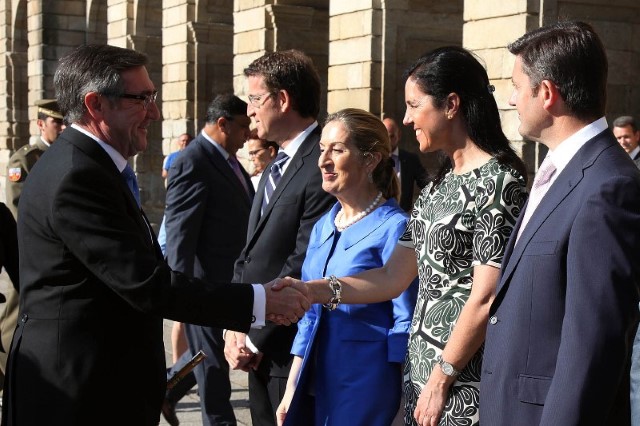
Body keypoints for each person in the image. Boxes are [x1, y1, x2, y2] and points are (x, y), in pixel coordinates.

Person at [1, 44, 308, 426]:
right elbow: (149, 285)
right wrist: (261, 301)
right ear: (96, 104)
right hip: (80, 396)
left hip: (98, 385)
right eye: (142, 98)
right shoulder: (77, 176)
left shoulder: (87, 166)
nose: (156, 112)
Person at [279, 46, 528, 426]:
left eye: (414, 105)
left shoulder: (500, 181)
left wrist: (443, 375)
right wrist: (314, 291)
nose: (407, 119)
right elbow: (391, 277)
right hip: (422, 378)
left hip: (463, 382)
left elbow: (486, 293)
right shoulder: (436, 186)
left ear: (451, 104)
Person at [478, 21, 640, 425]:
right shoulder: (559, 170)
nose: (511, 100)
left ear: (547, 93)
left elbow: (593, 342)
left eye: (516, 86)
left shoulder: (609, 186)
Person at [275, 109, 418, 426]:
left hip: (366, 387)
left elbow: (405, 322)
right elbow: (309, 316)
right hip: (312, 385)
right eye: (322, 148)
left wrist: (403, 405)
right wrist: (291, 387)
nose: (323, 160)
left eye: (336, 149)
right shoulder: (323, 225)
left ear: (370, 160)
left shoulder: (396, 228)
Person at [224, 50, 335, 426]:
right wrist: (235, 326)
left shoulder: (322, 162)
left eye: (255, 99)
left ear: (283, 100)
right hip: (257, 341)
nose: (249, 111)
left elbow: (304, 257)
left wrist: (256, 337)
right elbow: (249, 253)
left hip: (288, 347)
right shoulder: (277, 163)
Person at [164, 93, 254, 426]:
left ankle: (167, 389)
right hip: (205, 282)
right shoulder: (193, 160)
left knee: (205, 353)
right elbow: (180, 233)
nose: (248, 134)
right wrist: (178, 291)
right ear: (222, 123)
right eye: (243, 126)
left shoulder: (229, 161)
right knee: (213, 367)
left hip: (229, 281)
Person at [6, 99, 64, 219]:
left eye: (65, 122)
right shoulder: (24, 159)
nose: (63, 127)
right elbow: (16, 206)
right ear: (41, 124)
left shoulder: (67, 153)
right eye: (57, 122)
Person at [383, 116, 429, 211]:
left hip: (403, 213)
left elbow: (426, 184)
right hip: (380, 214)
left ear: (399, 135)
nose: (388, 141)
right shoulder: (375, 160)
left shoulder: (410, 159)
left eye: (392, 136)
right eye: (385, 136)